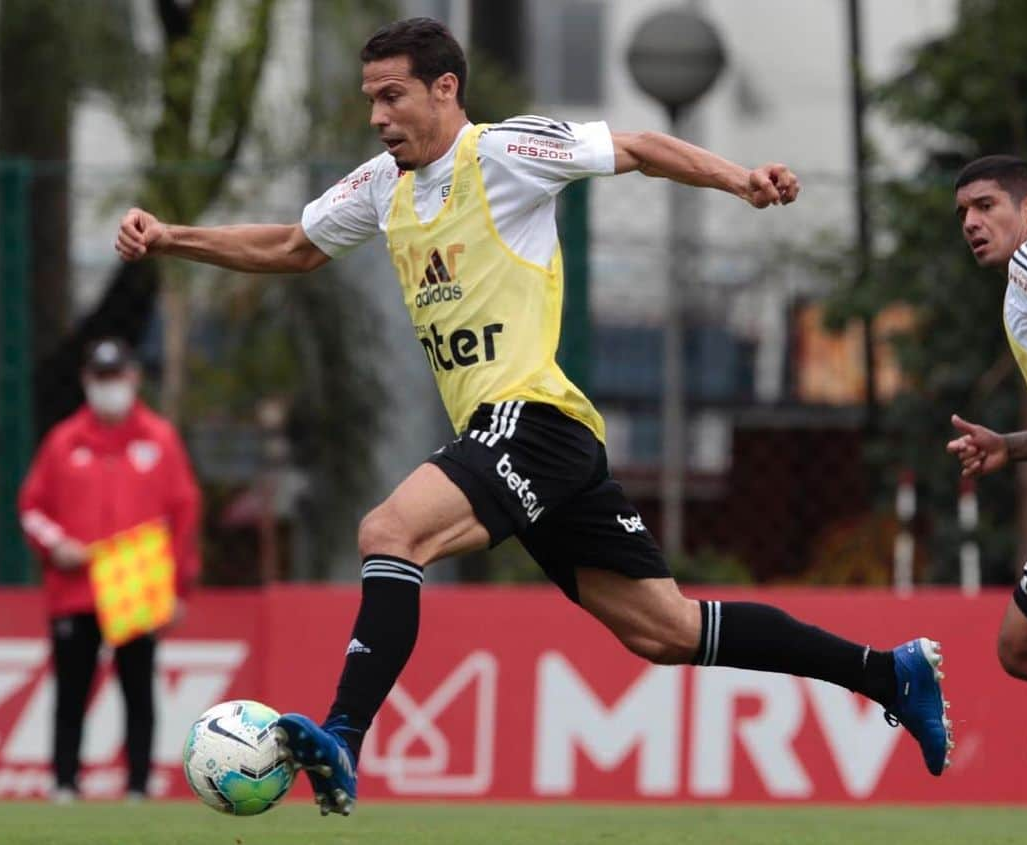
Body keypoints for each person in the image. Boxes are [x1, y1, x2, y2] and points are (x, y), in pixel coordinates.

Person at [114, 17, 951, 815]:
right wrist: (170, 237)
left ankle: (340, 735)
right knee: (663, 630)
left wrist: (738, 179)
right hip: (537, 441)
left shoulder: (508, 151)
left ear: (446, 89)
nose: (377, 117)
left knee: (389, 530)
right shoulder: (381, 187)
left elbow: (639, 146)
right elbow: (294, 247)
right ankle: (889, 672)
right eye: (370, 99)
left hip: (532, 419)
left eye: (394, 96)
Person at [18, 338, 202, 802]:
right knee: (71, 692)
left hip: (135, 589)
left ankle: (138, 786)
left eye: (115, 377)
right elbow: (30, 507)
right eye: (100, 379)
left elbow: (184, 515)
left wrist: (179, 589)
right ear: (87, 382)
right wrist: (57, 544)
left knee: (138, 690)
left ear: (134, 379)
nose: (109, 388)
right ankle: (63, 784)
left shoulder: (159, 440)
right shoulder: (64, 442)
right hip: (74, 590)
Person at [946, 155, 1027, 681]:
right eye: (963, 214)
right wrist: (1012, 445)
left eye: (985, 205)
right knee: (1019, 648)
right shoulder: (1019, 287)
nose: (971, 223)